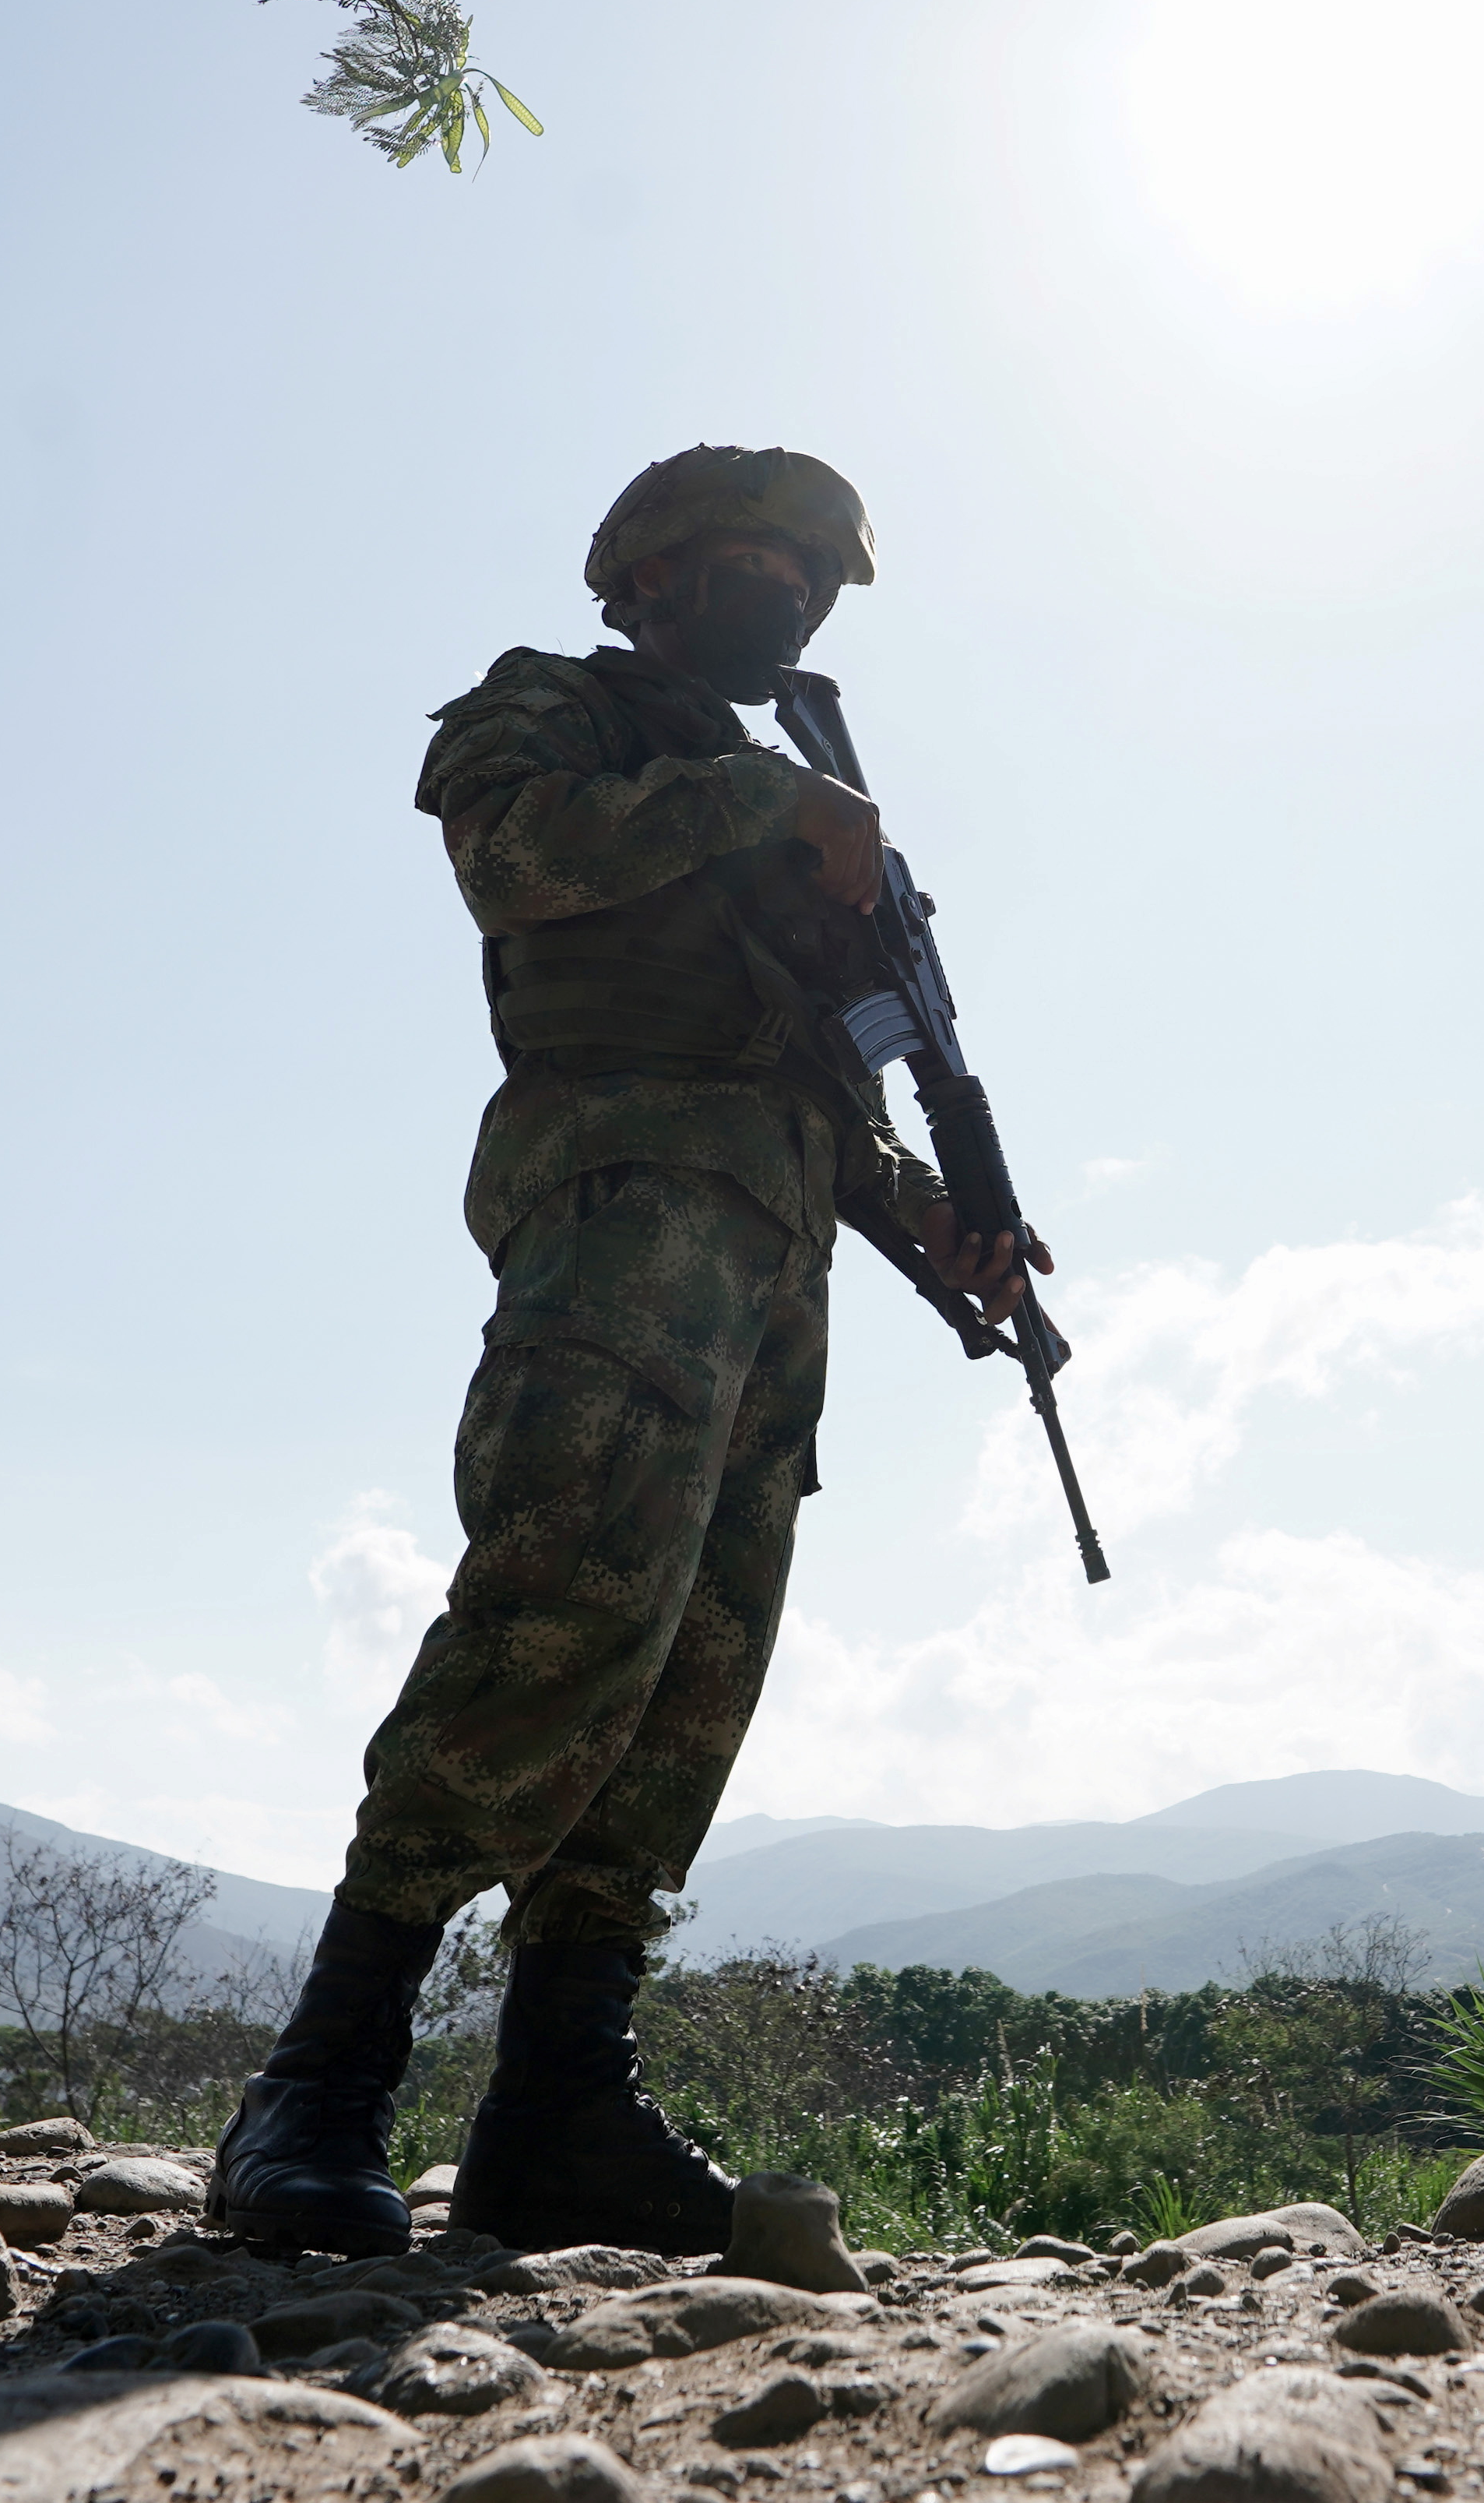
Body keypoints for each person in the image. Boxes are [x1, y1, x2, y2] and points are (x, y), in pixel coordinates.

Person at [209, 445, 1043, 2262]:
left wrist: (944, 1228)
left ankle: (559, 2110)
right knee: (558, 1610)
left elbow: (830, 1075)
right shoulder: (557, 716)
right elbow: (516, 863)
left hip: (771, 1264)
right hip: (623, 1212)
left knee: (688, 1681)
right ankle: (321, 2086)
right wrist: (768, 804)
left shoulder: (794, 809)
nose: (788, 595)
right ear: (650, 572)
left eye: (812, 577)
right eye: (757, 558)